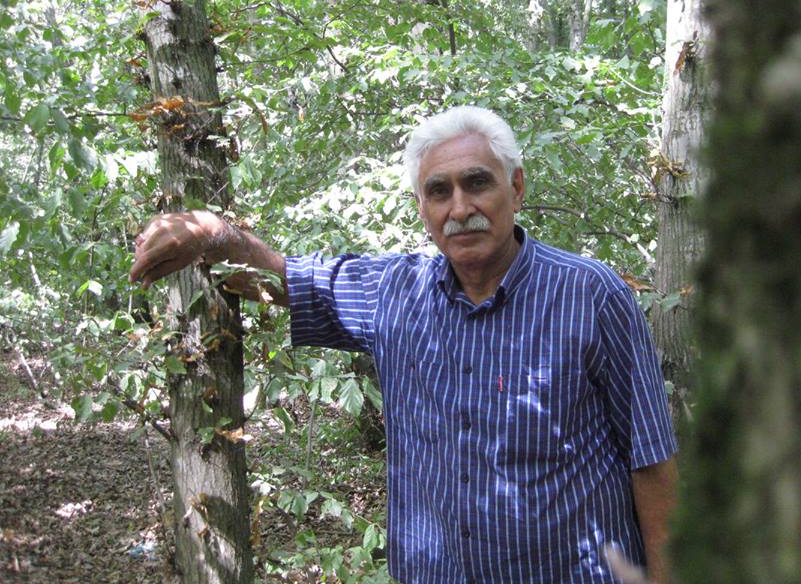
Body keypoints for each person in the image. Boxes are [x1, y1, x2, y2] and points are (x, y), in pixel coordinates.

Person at [129, 106, 678, 584]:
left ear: (516, 188)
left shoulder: (590, 296)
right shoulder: (395, 293)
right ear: (422, 208)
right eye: (439, 191)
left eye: (477, 183)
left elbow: (652, 463)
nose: (459, 207)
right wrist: (211, 233)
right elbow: (283, 276)